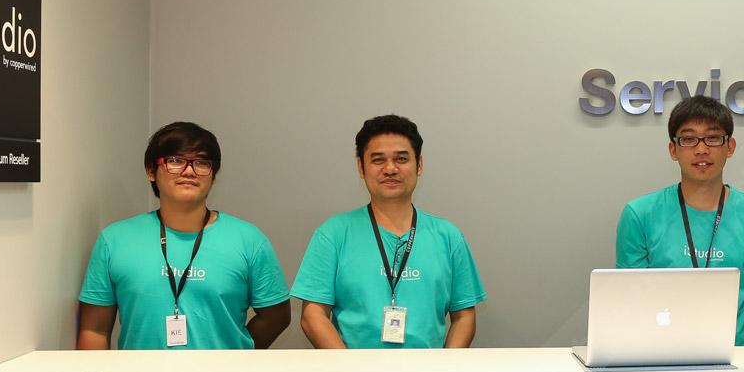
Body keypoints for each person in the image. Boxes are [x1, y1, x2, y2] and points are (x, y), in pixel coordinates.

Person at [77, 122, 291, 349]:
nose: (189, 171)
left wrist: (237, 353)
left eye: (201, 162)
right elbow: (94, 330)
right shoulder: (115, 240)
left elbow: (277, 316)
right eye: (176, 161)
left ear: (213, 176)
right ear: (151, 171)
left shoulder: (248, 240)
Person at [293, 114, 485, 349]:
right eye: (378, 160)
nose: (390, 169)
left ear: (419, 164)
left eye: (401, 159)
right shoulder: (333, 234)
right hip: (353, 369)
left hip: (429, 371)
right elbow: (313, 315)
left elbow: (464, 316)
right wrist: (349, 368)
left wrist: (445, 367)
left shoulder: (449, 236)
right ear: (361, 167)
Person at [615, 95, 744, 345]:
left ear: (730, 147)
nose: (701, 149)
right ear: (673, 150)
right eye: (688, 139)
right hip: (659, 353)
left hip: (735, 356)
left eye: (713, 138)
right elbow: (634, 299)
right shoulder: (639, 214)